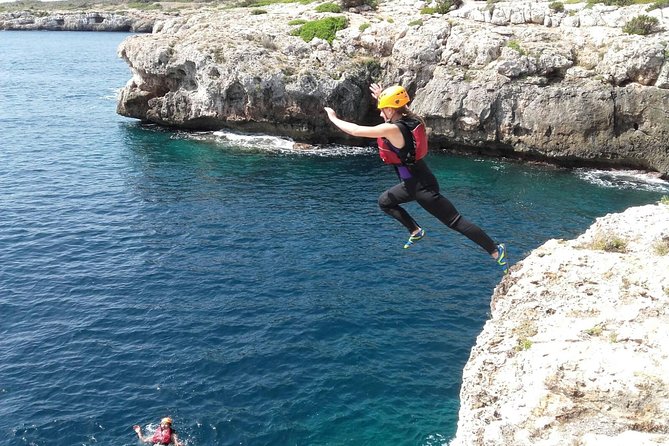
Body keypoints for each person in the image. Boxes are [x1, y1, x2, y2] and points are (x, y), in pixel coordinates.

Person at [324, 83, 509, 274]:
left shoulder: (393, 130)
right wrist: (382, 97)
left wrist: (333, 117)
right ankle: (415, 230)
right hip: (413, 181)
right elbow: (400, 107)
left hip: (422, 187)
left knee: (455, 221)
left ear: (390, 109)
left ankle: (495, 249)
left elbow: (355, 130)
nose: (380, 115)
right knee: (385, 202)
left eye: (382, 110)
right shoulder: (412, 119)